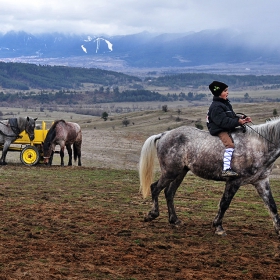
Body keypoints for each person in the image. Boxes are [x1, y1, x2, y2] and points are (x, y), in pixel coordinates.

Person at [206, 81, 251, 177]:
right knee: (230, 145)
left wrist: (241, 118)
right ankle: (226, 169)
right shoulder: (216, 106)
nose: (227, 92)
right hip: (219, 129)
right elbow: (223, 122)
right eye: (225, 91)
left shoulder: (225, 103)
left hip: (224, 126)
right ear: (219, 93)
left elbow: (231, 116)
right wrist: (238, 122)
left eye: (227, 90)